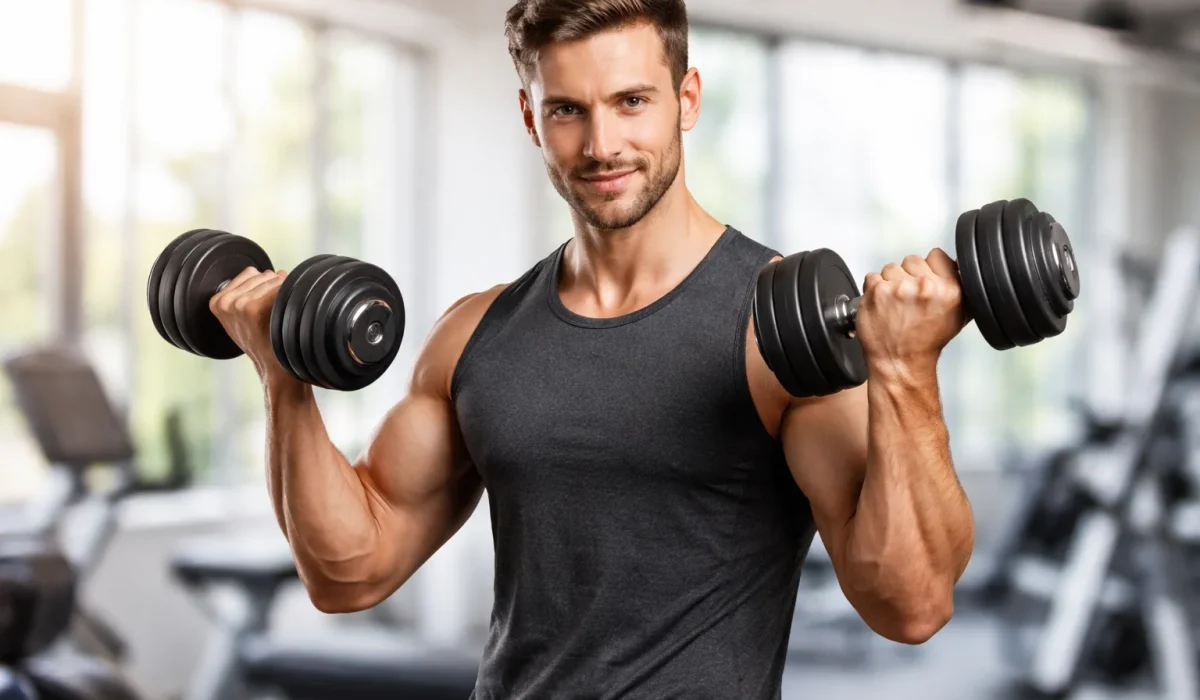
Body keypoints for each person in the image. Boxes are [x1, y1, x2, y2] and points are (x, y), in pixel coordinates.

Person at [208, 0, 976, 697]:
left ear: (687, 99)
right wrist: (283, 379)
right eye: (568, 110)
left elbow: (909, 605)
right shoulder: (476, 335)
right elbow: (352, 572)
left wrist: (905, 370)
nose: (603, 144)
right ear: (530, 117)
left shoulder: (779, 330)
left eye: (632, 102)